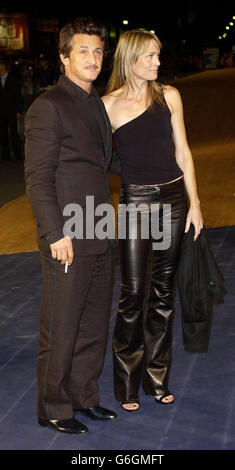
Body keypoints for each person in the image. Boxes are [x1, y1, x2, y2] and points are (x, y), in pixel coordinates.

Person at [24, 17, 120, 435]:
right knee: (61, 327)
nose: (93, 58)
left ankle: (84, 398)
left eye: (98, 51)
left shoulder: (95, 102)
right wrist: (54, 233)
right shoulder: (48, 106)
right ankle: (54, 407)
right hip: (67, 236)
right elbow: (37, 179)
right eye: (83, 51)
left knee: (94, 323)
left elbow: (104, 163)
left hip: (98, 230)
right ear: (63, 57)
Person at [102, 29, 203, 411]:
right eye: (150, 56)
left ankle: (157, 377)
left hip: (175, 200)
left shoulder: (169, 96)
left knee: (163, 295)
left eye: (159, 56)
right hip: (135, 204)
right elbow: (95, 155)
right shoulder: (107, 105)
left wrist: (195, 203)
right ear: (130, 58)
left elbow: (184, 151)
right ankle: (127, 382)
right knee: (132, 294)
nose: (158, 63)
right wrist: (129, 170)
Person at [0, 58, 22, 161]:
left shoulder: (12, 79)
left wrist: (18, 111)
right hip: (1, 111)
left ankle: (18, 154)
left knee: (14, 133)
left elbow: (18, 95)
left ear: (3, 66)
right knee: (3, 134)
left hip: (12, 110)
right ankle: (6, 155)